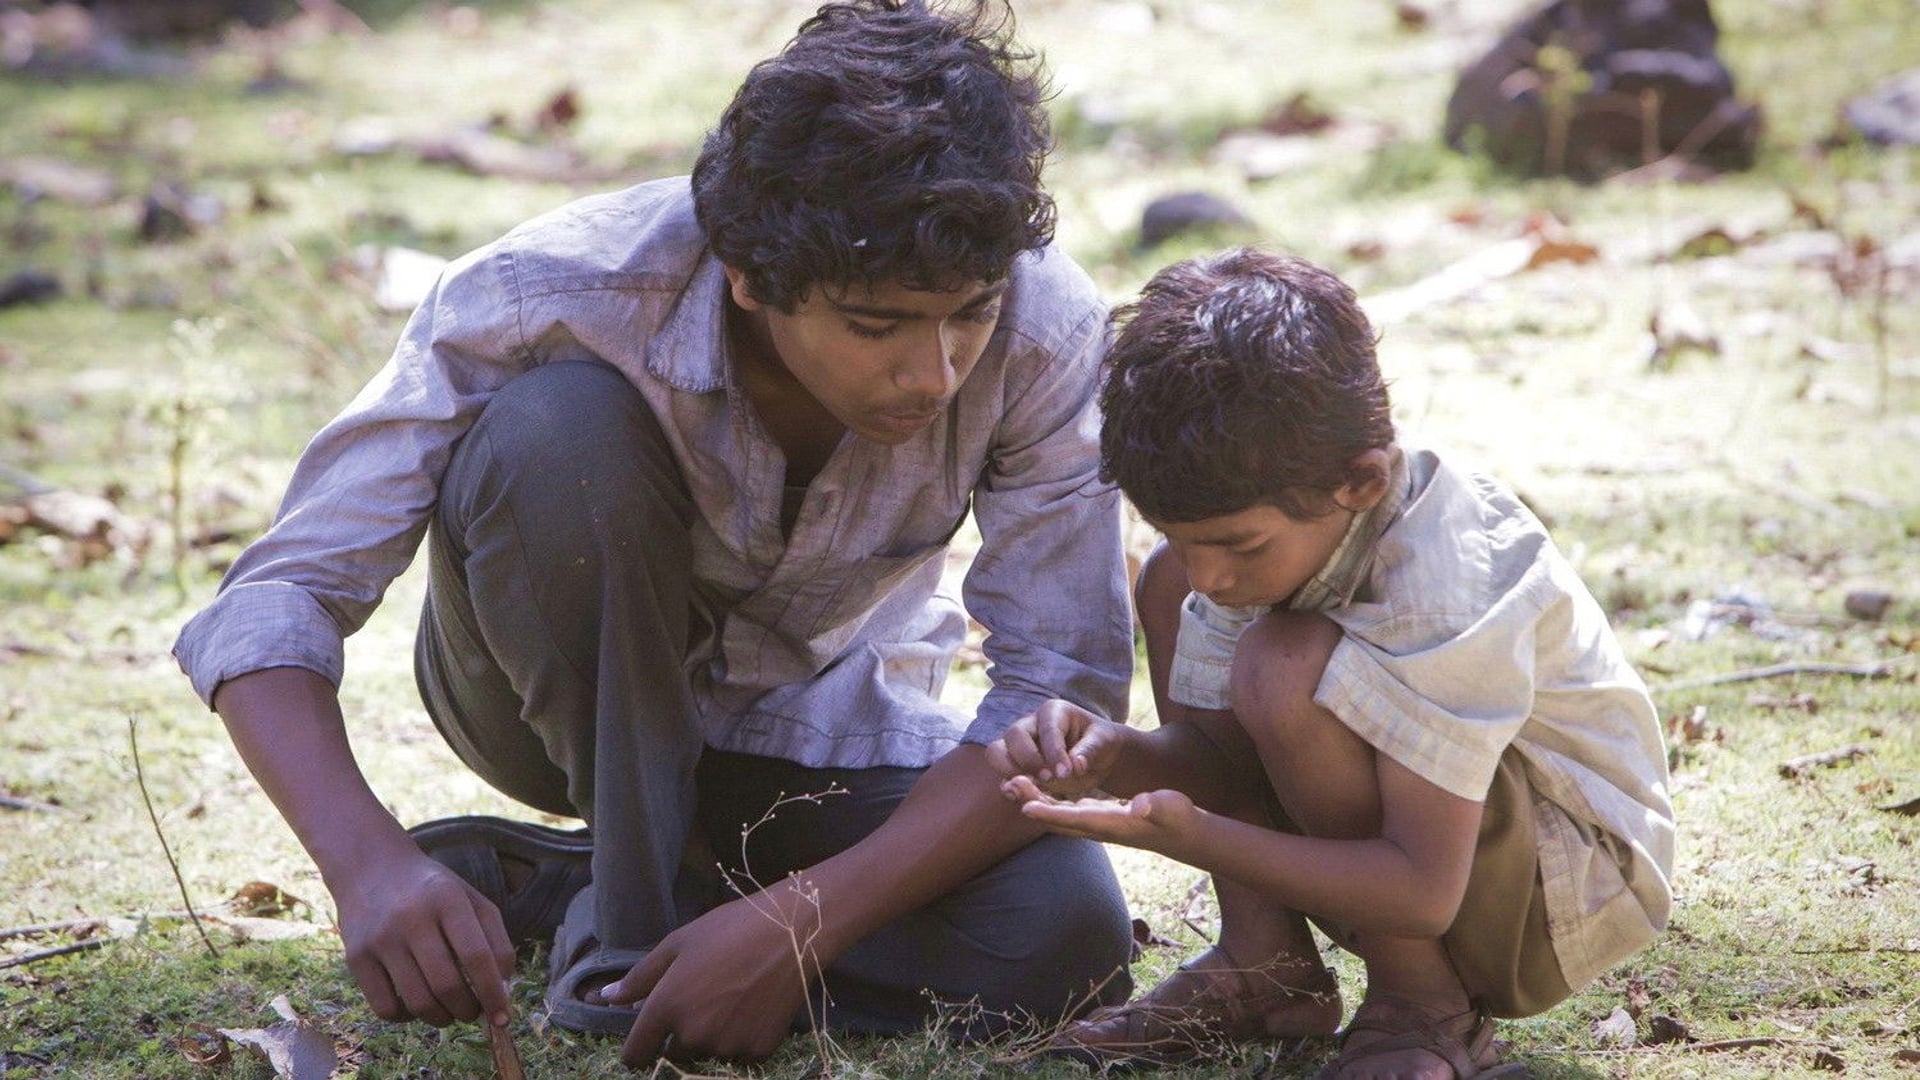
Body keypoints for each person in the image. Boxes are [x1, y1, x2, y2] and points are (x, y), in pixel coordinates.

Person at [172, 0, 1138, 1068]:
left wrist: (800, 921)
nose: (936, 372)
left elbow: (1060, 683)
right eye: (877, 328)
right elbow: (277, 597)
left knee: (1065, 936)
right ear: (750, 275)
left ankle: (583, 894)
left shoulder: (1047, 327)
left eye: (970, 315)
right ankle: (627, 928)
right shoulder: (555, 290)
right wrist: (368, 865)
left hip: (818, 734)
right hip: (540, 704)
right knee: (560, 433)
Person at [988, 248, 1674, 1078]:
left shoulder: (1441, 587)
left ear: (1360, 481)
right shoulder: (1244, 543)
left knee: (1282, 662)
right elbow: (1222, 764)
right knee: (1172, 591)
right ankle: (1267, 968)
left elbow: (1420, 888)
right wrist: (1110, 754)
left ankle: (1421, 1006)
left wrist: (1195, 837)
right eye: (1182, 533)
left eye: (1238, 545)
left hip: (1558, 895)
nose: (1214, 577)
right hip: (1432, 859)